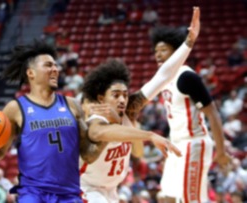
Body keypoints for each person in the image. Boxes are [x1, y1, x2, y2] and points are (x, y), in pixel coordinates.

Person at [0, 40, 177, 203]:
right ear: (30, 73)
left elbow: (89, 154)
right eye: (48, 65)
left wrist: (106, 128)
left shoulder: (73, 105)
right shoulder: (16, 109)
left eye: (56, 65)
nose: (55, 69)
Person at [80, 7, 201, 203]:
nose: (122, 99)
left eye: (125, 95)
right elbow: (101, 133)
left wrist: (189, 42)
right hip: (86, 188)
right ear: (101, 98)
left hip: (112, 189)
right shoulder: (96, 120)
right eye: (115, 95)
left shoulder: (129, 109)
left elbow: (162, 76)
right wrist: (150, 136)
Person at [150, 22, 231, 203]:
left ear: (178, 52)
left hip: (194, 142)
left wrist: (222, 151)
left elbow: (213, 113)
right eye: (156, 51)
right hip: (176, 144)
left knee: (190, 199)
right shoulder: (162, 78)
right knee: (165, 197)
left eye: (163, 50)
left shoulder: (187, 77)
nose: (158, 55)